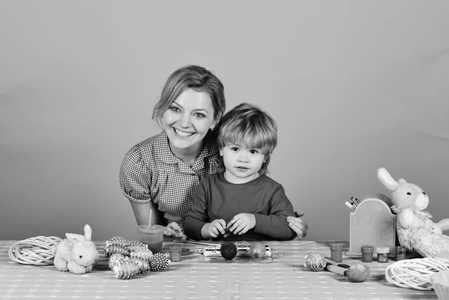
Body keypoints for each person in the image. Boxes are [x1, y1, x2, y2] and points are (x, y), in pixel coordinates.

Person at [119, 65, 307, 239]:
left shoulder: (231, 147)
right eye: (175, 109)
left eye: (199, 114)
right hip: (178, 256)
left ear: (216, 118)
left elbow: (262, 197)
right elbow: (151, 231)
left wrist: (287, 224)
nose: (184, 123)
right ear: (163, 109)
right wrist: (170, 235)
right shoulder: (139, 162)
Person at [183, 103, 303, 241]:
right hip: (218, 260)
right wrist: (207, 228)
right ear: (221, 149)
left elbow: (289, 228)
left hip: (262, 260)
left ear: (265, 156)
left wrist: (255, 221)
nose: (243, 159)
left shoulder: (272, 190)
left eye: (253, 151)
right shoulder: (208, 185)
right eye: (235, 149)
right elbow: (190, 224)